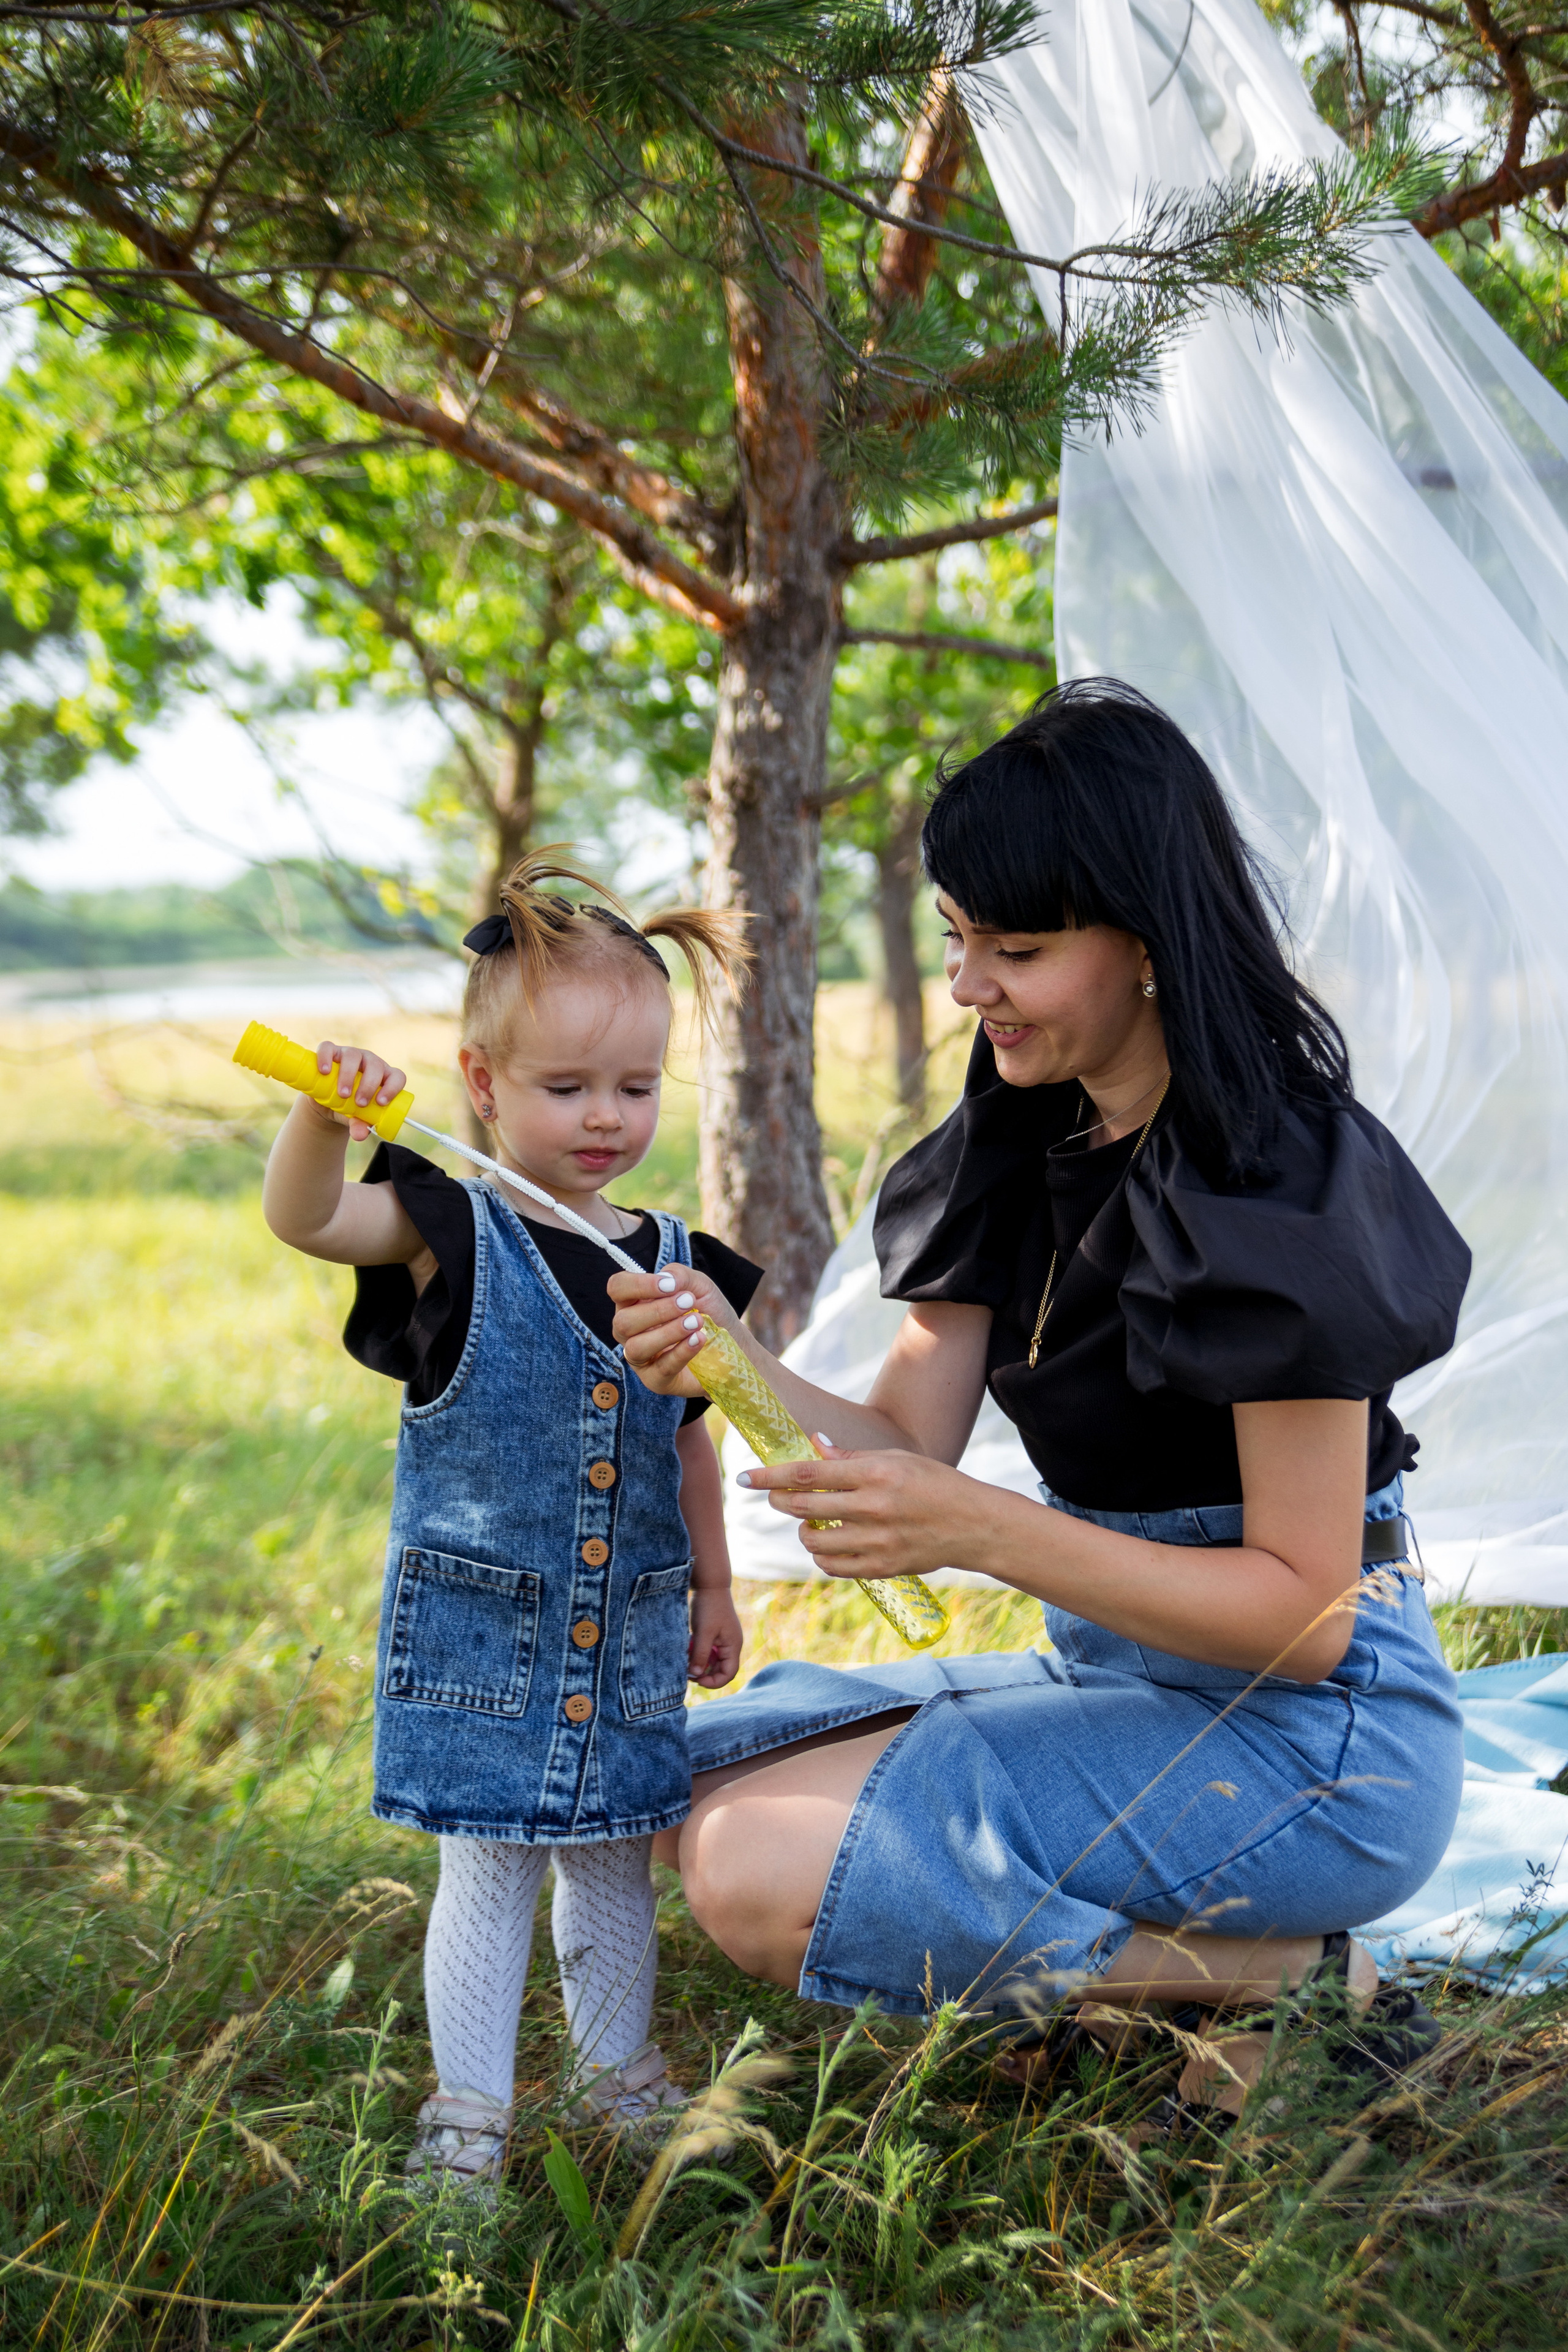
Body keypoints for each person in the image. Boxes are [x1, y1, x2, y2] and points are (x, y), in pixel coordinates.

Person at [614, 682, 1471, 2127]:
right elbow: (901, 1440)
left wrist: (983, 1531)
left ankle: (1284, 1983)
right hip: (1115, 1684)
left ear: (1143, 942)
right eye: (955, 940)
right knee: (665, 1793)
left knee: (753, 1871)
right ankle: (1209, 1988)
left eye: (1014, 949)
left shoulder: (1276, 1183)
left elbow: (1305, 1618)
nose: (967, 988)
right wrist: (726, 1356)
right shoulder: (1022, 1134)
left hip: (1316, 1746)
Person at [261, 850, 759, 2188]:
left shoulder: (674, 1262)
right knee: (486, 1874)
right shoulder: (449, 1229)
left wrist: (714, 1582)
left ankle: (619, 2090)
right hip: (489, 1638)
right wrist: (322, 1113)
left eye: (636, 1088)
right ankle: (467, 2121)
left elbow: (687, 1437)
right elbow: (305, 1218)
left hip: (629, 1632)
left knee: (611, 1870)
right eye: (565, 1088)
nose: (605, 1117)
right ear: (482, 1086)